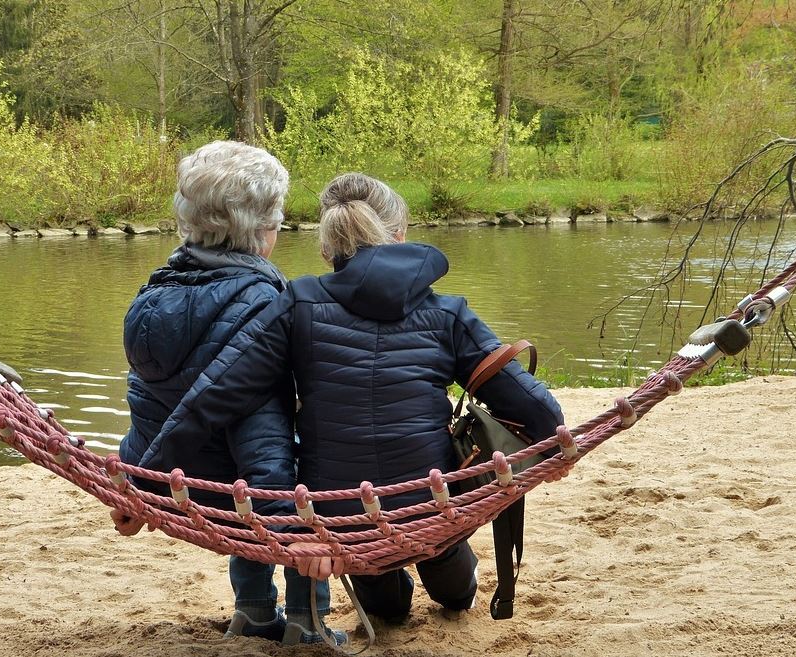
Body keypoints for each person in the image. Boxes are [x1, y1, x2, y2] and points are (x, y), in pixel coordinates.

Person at [144, 172, 566, 621]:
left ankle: (398, 581)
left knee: (386, 610)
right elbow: (532, 405)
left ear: (327, 247)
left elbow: (216, 394)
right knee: (454, 586)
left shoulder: (297, 302)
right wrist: (555, 445)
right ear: (400, 235)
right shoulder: (448, 313)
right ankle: (445, 566)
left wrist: (144, 481)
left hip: (341, 516)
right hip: (431, 501)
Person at [111, 140, 345, 646]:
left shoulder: (153, 293)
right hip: (237, 488)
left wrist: (136, 480)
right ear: (262, 230)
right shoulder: (265, 303)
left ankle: (254, 610)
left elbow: (150, 401)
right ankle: (309, 621)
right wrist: (291, 533)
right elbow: (264, 435)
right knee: (313, 463)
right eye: (276, 218)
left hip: (173, 478)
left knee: (246, 471)